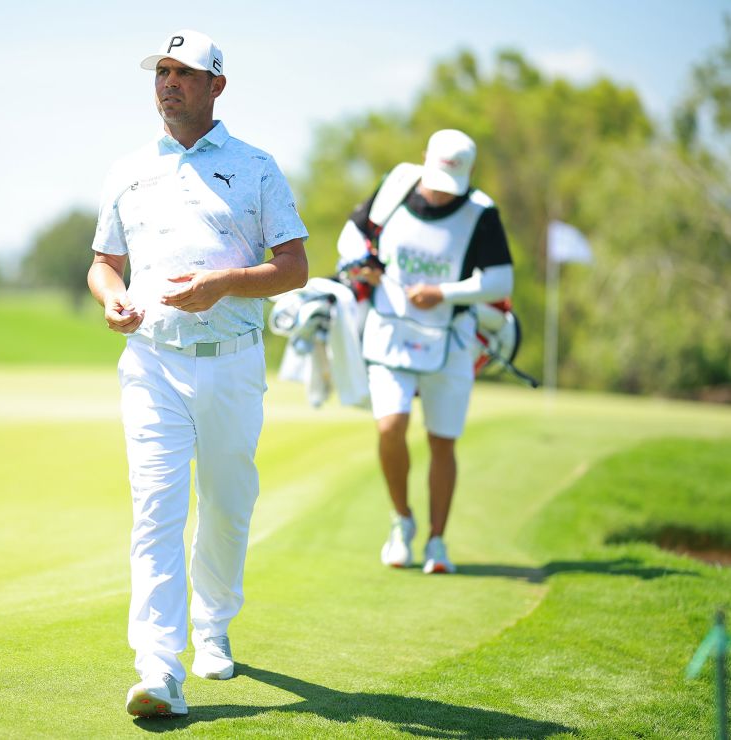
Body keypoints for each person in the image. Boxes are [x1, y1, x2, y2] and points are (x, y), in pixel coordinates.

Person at [88, 29, 308, 719]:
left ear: (217, 86)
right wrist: (110, 299)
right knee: (156, 514)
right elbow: (103, 264)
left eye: (184, 73)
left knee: (226, 505)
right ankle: (159, 668)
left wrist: (226, 284)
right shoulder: (127, 170)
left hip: (233, 361)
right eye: (162, 72)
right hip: (152, 361)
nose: (168, 83)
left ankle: (213, 626)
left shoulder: (256, 167)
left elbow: (295, 267)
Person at [338, 129, 514, 575]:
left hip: (451, 336)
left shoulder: (481, 212)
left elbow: (500, 282)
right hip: (389, 329)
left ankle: (437, 542)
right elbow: (353, 235)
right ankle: (403, 522)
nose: (440, 192)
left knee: (442, 440)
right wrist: (365, 264)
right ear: (424, 161)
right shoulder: (397, 184)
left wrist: (444, 292)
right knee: (390, 427)